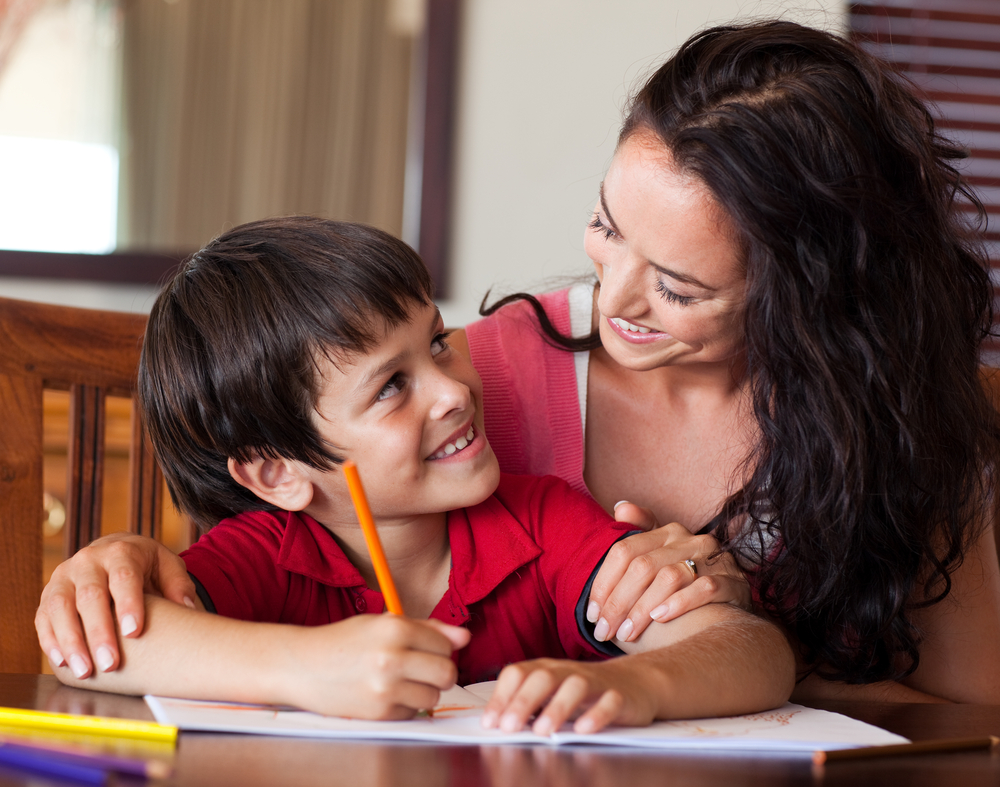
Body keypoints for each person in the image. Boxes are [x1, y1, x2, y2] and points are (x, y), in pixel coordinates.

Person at [38, 19, 1000, 703]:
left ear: (811, 295)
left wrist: (665, 662)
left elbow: (961, 708)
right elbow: (208, 574)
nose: (612, 301)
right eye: (605, 227)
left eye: (678, 286)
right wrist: (125, 564)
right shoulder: (481, 393)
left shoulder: (894, 414)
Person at [45, 216, 793, 732]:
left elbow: (754, 652)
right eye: (391, 387)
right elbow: (91, 648)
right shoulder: (267, 554)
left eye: (437, 341)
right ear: (278, 473)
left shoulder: (538, 520)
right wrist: (305, 668)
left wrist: (632, 684)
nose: (454, 389)